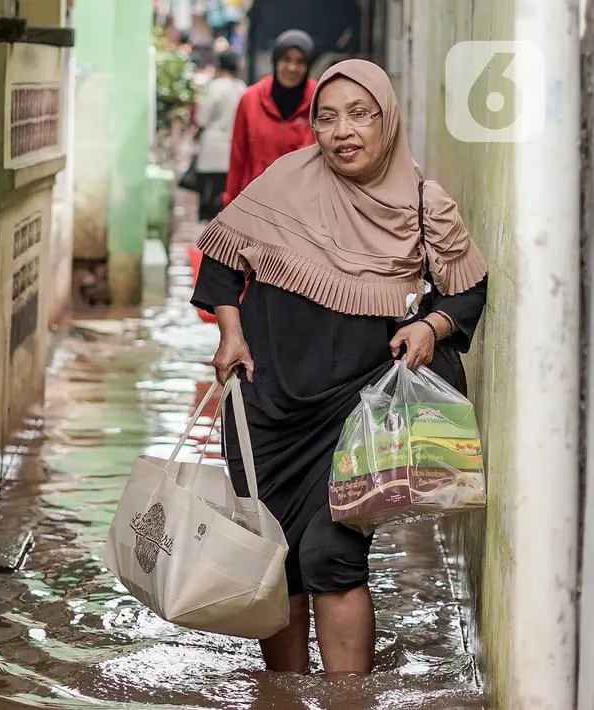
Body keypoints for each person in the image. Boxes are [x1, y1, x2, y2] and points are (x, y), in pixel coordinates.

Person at [189, 60, 489, 674]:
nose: (342, 131)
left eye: (358, 115)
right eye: (326, 118)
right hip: (267, 406)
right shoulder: (282, 182)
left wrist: (429, 327)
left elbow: (466, 289)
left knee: (332, 556)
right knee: (276, 561)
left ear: (387, 120)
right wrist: (231, 335)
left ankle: (346, 699)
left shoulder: (424, 204)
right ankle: (287, 693)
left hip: (359, 412)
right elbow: (220, 262)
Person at [224, 30, 318, 207]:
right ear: (275, 61)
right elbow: (238, 157)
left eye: (300, 61)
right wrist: (229, 204)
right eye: (286, 59)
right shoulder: (251, 99)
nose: (292, 68)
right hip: (257, 206)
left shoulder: (320, 100)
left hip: (303, 208)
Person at [193, 50, 247, 221]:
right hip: (233, 148)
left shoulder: (215, 87)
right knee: (226, 196)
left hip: (212, 147)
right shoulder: (242, 88)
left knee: (209, 196)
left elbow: (202, 117)